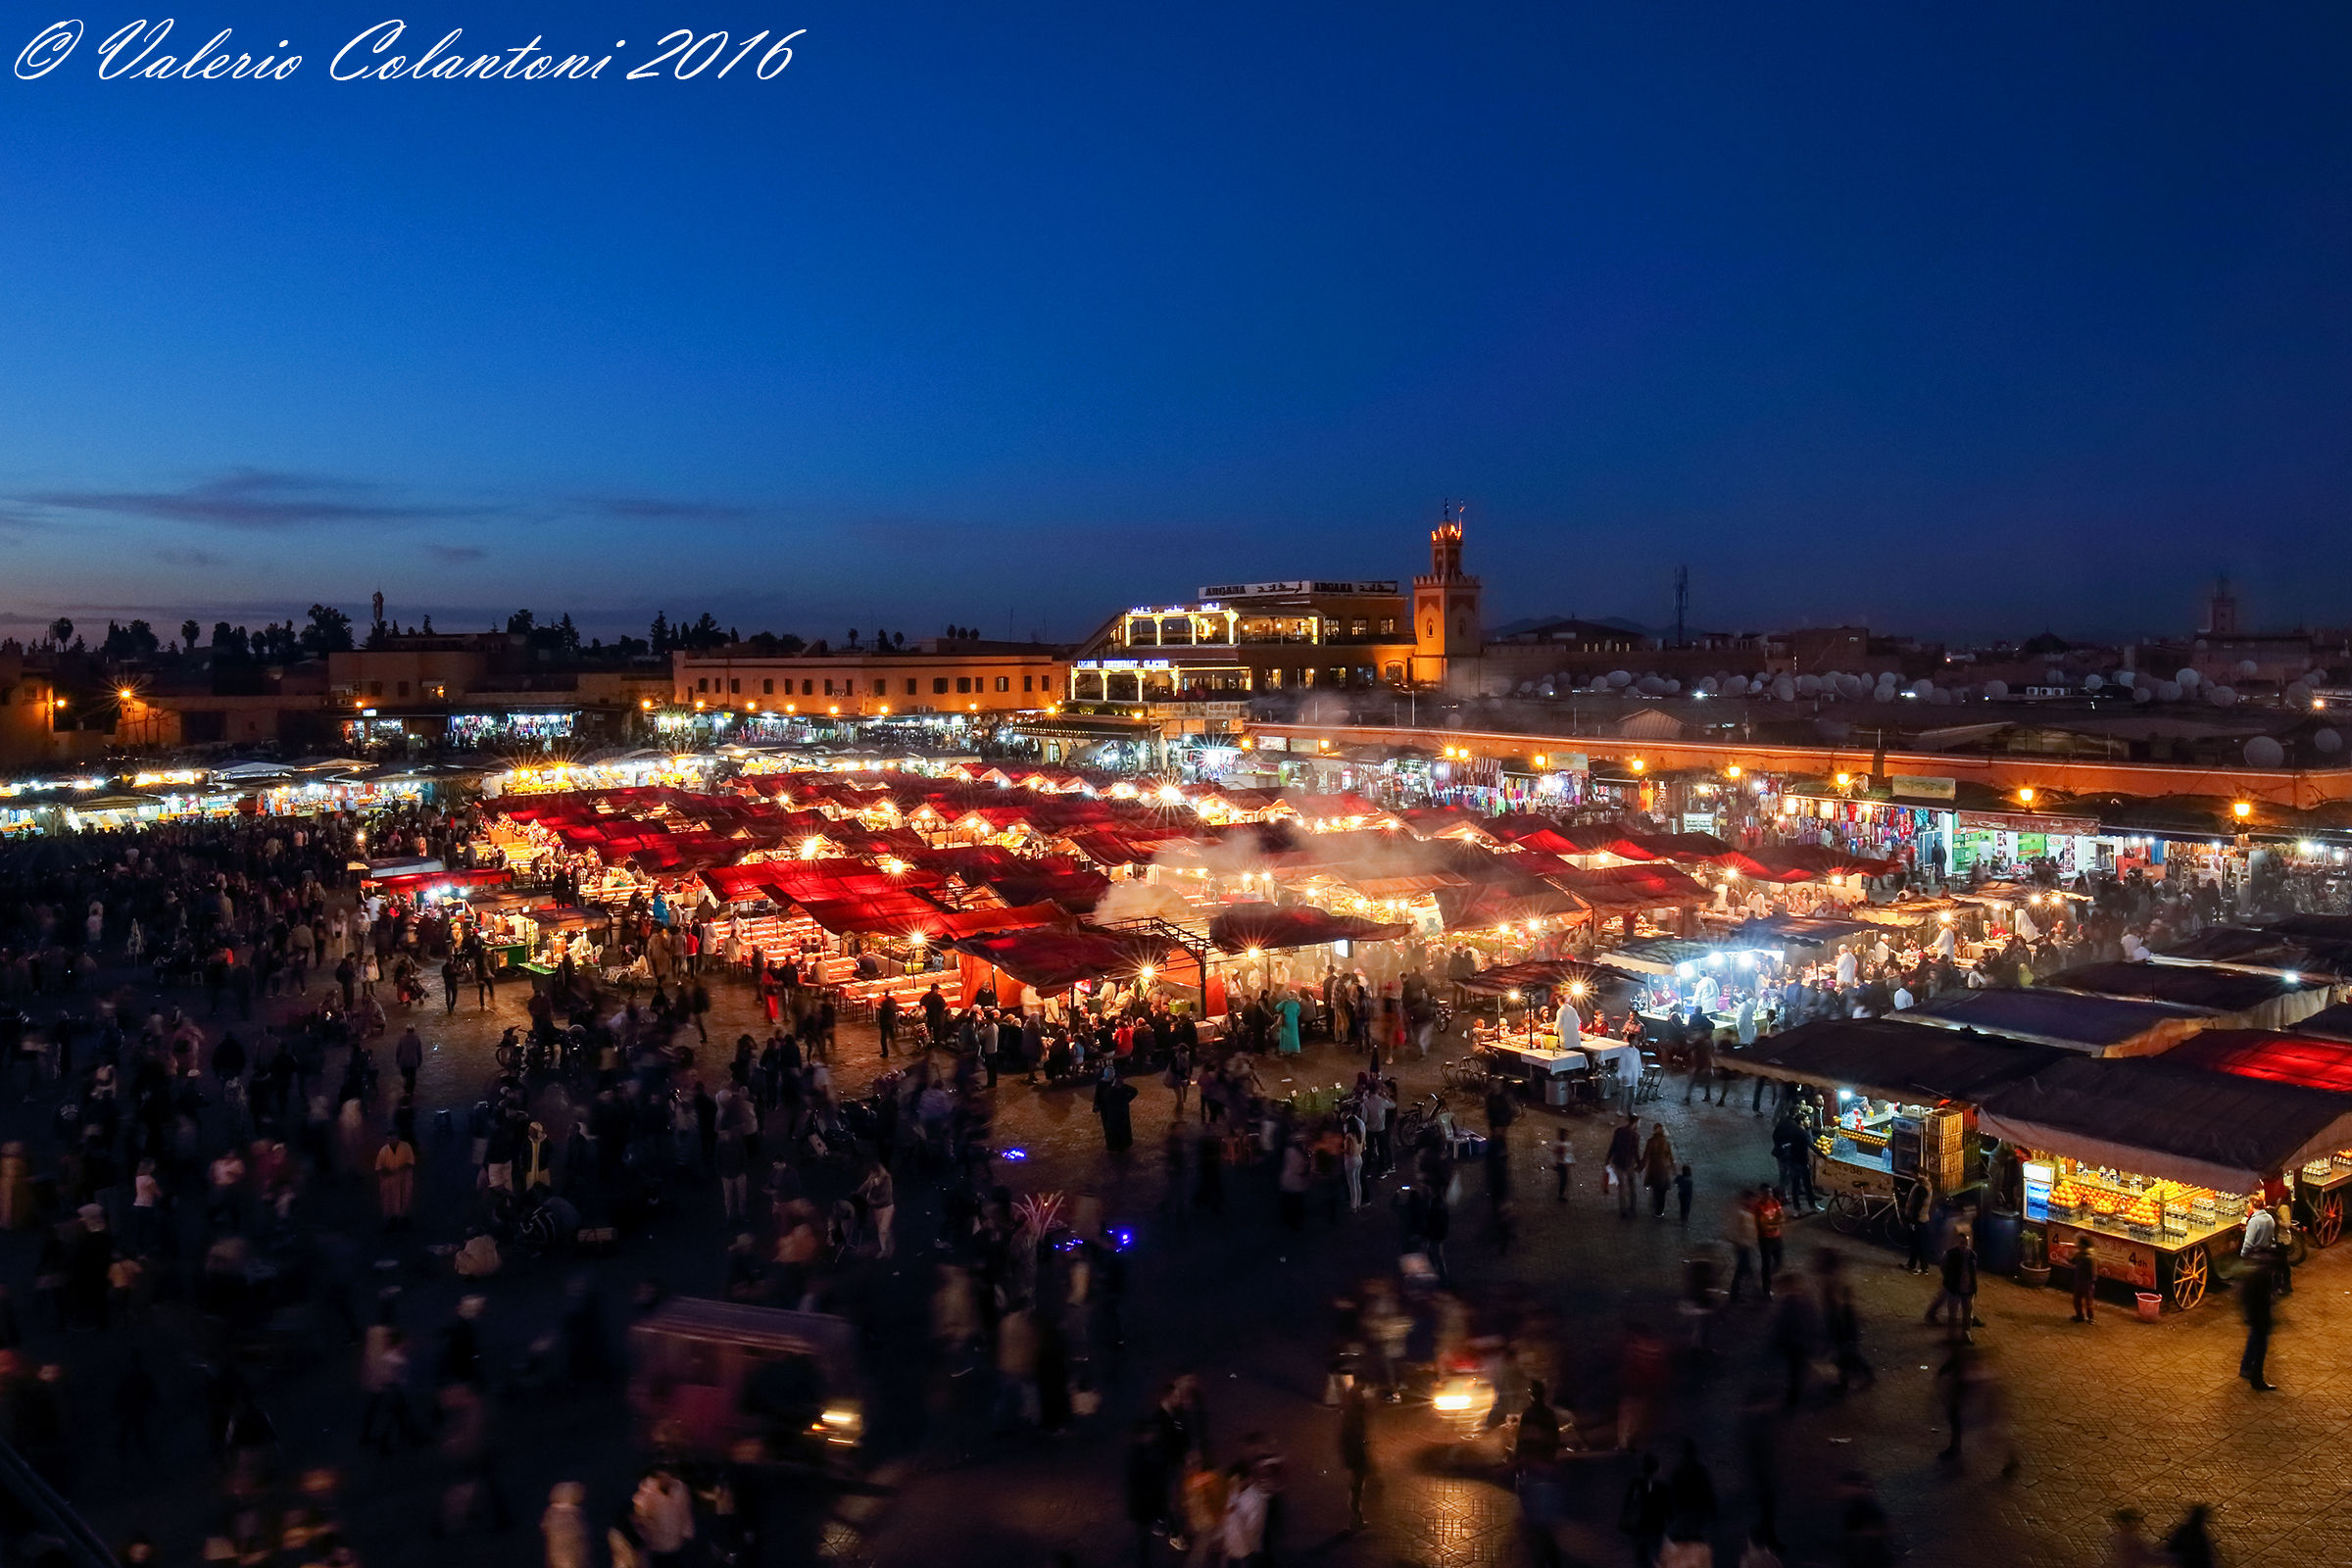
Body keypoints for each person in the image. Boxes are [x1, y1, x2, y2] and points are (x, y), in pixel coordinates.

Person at [1337, 1376, 1371, 1529]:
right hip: (1356, 1453)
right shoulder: (1354, 1413)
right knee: (1357, 1487)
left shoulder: (1350, 1406)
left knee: (1356, 1486)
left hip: (1354, 1452)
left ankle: (1356, 1518)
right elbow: (1352, 1436)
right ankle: (1355, 1520)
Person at [2238, 1259, 2276, 1392]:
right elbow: (2265, 1300)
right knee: (2260, 1347)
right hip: (2260, 1317)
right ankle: (2257, 1378)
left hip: (2254, 1316)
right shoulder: (2264, 1275)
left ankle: (2246, 1367)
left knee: (2254, 1340)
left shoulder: (2253, 1274)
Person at [1606, 1115, 1641, 1219]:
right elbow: (1635, 1152)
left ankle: (1623, 1211)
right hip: (1629, 1163)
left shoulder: (1619, 1131)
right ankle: (1632, 1208)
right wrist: (1639, 1164)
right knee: (1632, 1186)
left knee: (1621, 1187)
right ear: (1635, 1123)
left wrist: (1607, 1159)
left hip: (1618, 1162)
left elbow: (1613, 1146)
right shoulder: (1635, 1135)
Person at [2069, 1234, 2098, 1324]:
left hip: (2086, 1282)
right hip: (2080, 1280)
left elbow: (2093, 1271)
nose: (2078, 1245)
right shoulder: (2081, 1255)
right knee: (2077, 1299)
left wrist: (2092, 1281)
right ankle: (2080, 1315)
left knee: (2088, 1301)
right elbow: (2073, 1261)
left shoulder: (2088, 1257)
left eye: (2080, 1244)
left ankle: (2090, 1318)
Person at [1546, 1128, 1574, 1201]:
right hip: (1561, 1164)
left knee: (1563, 1179)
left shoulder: (1559, 1143)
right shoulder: (1561, 1145)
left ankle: (1560, 1194)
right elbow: (1562, 1155)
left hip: (1560, 1164)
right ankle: (1560, 1195)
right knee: (1564, 1180)